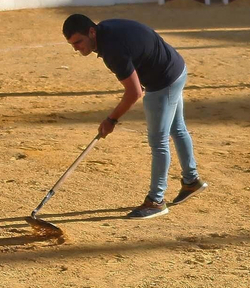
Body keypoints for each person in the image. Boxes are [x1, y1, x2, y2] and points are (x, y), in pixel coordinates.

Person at [62, 14, 207, 219]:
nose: (76, 48)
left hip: (163, 81)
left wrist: (111, 119)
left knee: (158, 141)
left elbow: (134, 92)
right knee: (177, 128)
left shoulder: (113, 50)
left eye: (78, 42)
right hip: (176, 67)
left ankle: (156, 201)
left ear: (92, 32)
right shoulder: (106, 30)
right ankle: (191, 181)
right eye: (72, 44)